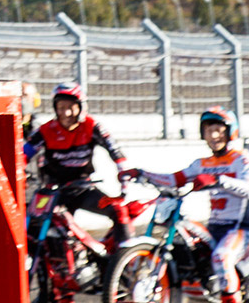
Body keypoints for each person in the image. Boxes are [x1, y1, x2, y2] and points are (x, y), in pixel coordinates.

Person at [130, 107, 249, 303]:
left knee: (221, 257)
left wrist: (218, 180)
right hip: (215, 228)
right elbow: (174, 179)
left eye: (218, 130)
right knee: (187, 249)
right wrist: (141, 173)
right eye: (209, 131)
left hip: (241, 229)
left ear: (230, 132)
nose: (214, 136)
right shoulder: (202, 163)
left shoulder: (242, 159)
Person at [24, 81, 134, 268]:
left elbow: (117, 153)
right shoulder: (45, 131)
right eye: (60, 108)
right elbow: (23, 154)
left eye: (70, 108)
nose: (65, 113)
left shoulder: (92, 126)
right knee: (31, 225)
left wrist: (124, 178)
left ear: (81, 108)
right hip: (52, 194)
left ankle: (122, 264)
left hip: (83, 189)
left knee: (119, 211)